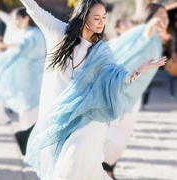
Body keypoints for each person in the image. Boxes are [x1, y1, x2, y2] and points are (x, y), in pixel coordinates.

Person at [19, 0, 166, 179]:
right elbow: (33, 9)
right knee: (66, 170)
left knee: (73, 162)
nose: (101, 22)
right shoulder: (58, 32)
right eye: (96, 17)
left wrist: (138, 70)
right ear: (83, 18)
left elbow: (117, 78)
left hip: (89, 118)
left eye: (104, 17)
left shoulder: (102, 51)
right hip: (59, 118)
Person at [103, 3, 169, 179]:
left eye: (165, 15)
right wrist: (153, 23)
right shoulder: (146, 32)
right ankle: (106, 169)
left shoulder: (152, 35)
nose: (164, 18)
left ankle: (106, 169)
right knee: (117, 137)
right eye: (159, 15)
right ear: (150, 17)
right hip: (121, 95)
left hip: (124, 94)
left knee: (113, 136)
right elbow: (145, 35)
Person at [0, 7, 46, 130]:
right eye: (14, 20)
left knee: (30, 121)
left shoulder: (33, 34)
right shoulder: (32, 32)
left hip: (32, 83)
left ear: (26, 18)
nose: (15, 23)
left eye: (17, 20)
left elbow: (20, 49)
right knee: (29, 119)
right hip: (29, 83)